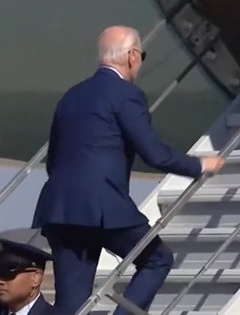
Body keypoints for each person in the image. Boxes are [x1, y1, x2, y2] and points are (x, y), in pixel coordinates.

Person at [32, 25, 225, 314]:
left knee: (71, 305)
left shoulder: (71, 96)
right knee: (157, 259)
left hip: (60, 210)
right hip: (104, 208)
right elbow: (154, 154)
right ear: (133, 56)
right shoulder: (126, 94)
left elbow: (54, 160)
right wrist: (200, 165)